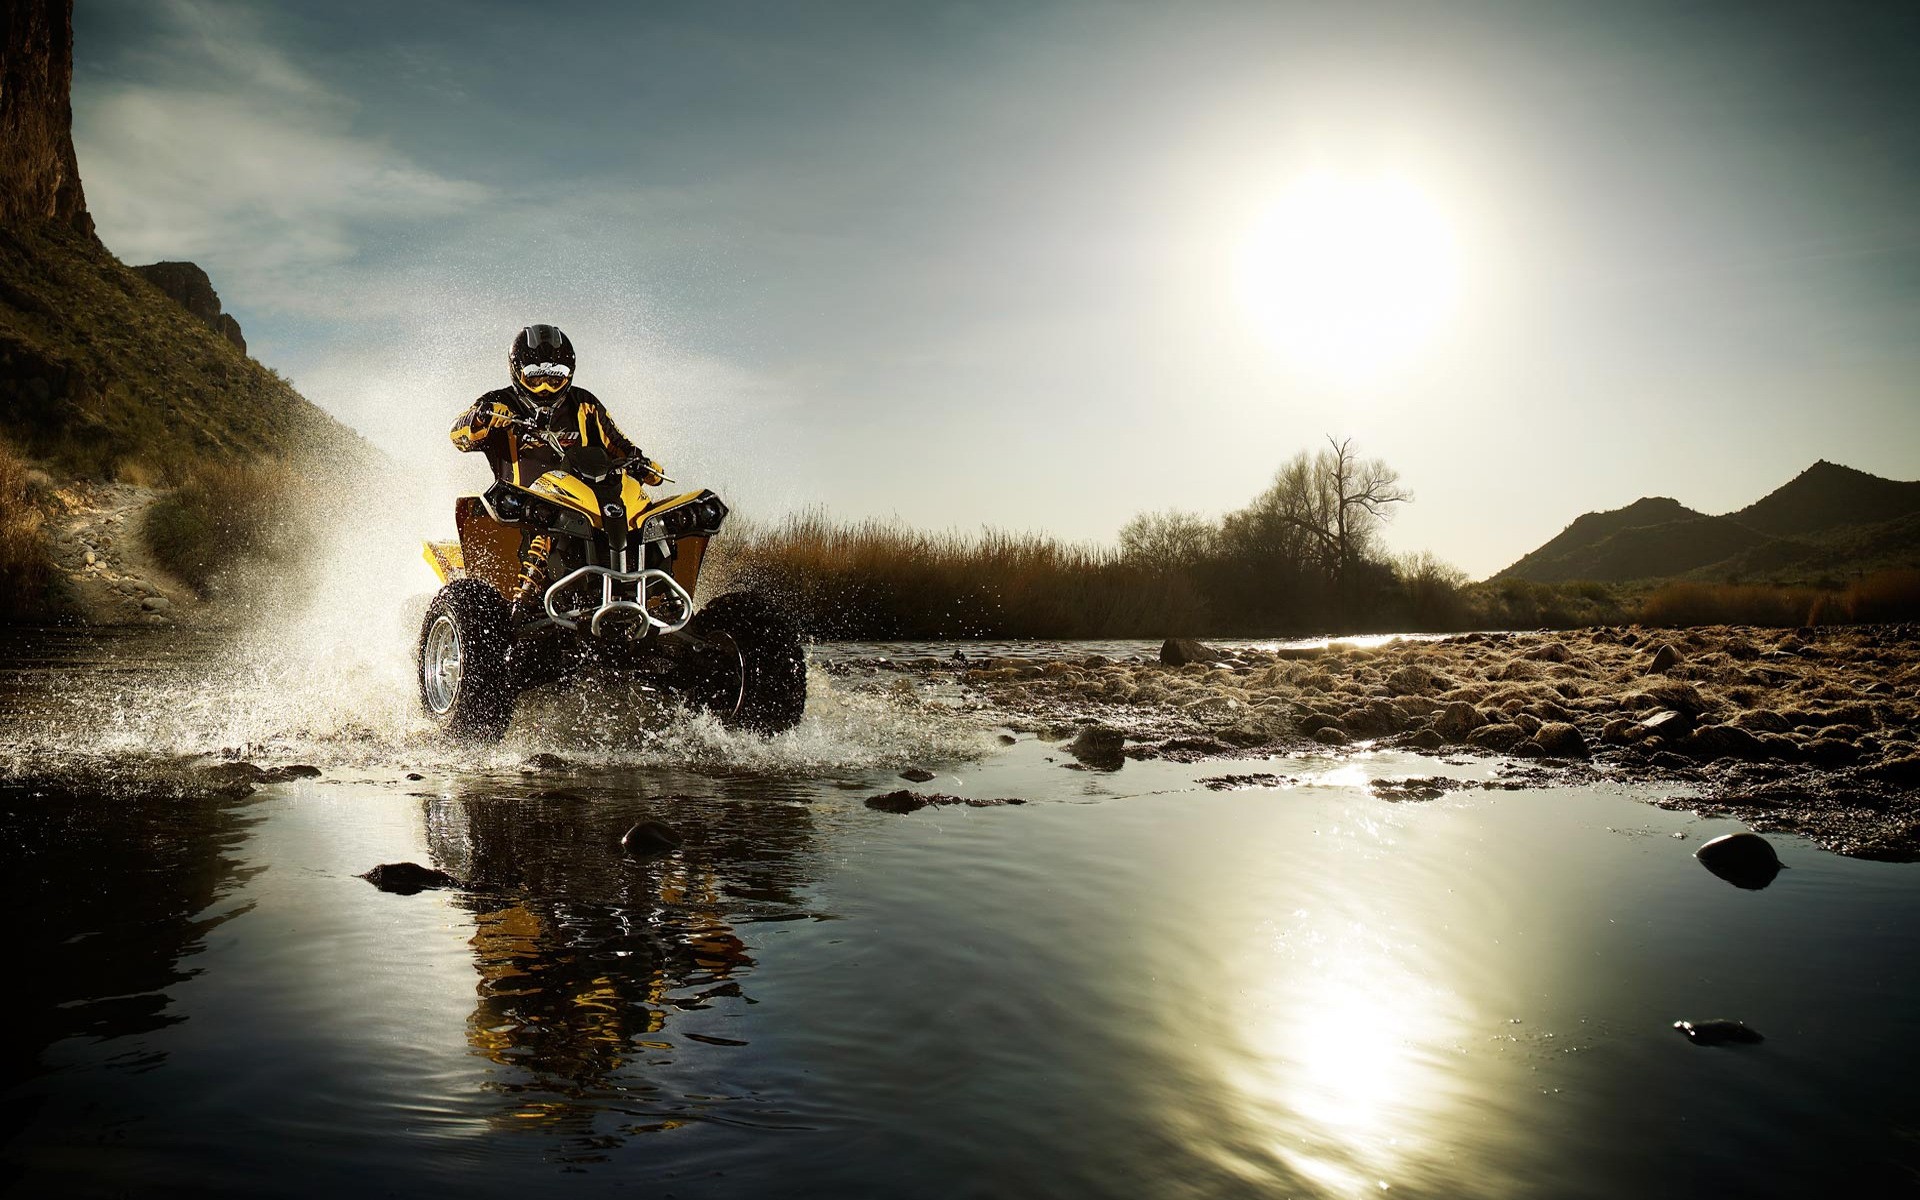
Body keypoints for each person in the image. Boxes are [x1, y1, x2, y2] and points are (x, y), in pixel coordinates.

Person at [450, 324, 664, 617]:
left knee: (649, 519)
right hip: (524, 511)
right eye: (536, 376)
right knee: (545, 525)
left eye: (556, 375)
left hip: (592, 504)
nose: (546, 385)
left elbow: (617, 442)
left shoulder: (584, 404)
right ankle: (519, 611)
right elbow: (458, 434)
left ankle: (663, 603)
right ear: (518, 371)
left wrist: (641, 462)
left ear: (569, 372)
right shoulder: (500, 402)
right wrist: (482, 418)